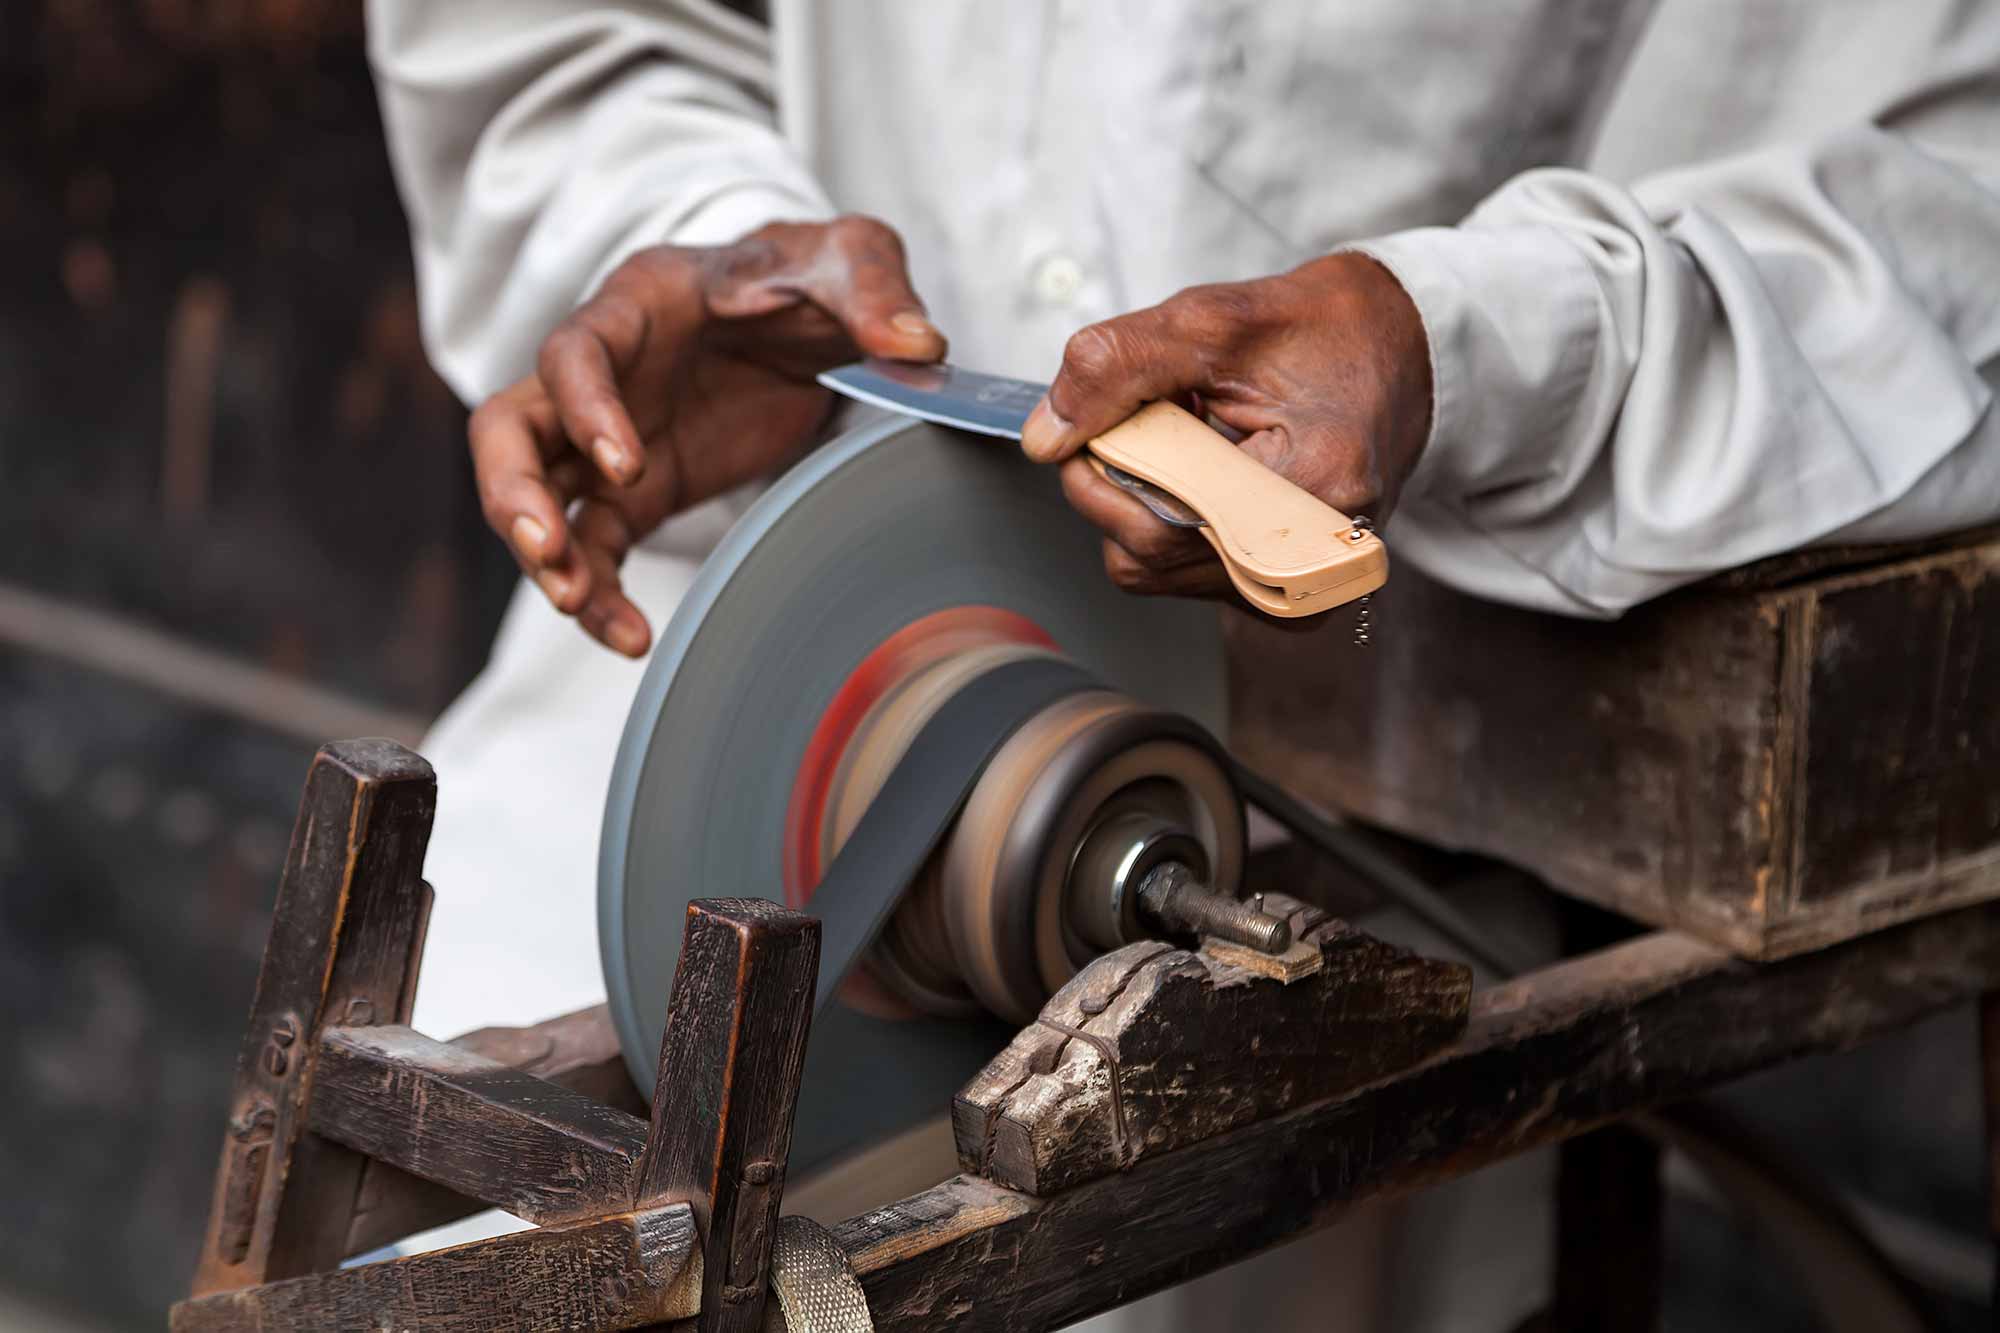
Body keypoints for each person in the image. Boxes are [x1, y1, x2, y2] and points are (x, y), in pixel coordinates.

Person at [367, 3, 2000, 1326]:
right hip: (719, 671)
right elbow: (551, 34)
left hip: (1354, 773)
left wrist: (1468, 341)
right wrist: (691, 230)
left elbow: (1954, 192)